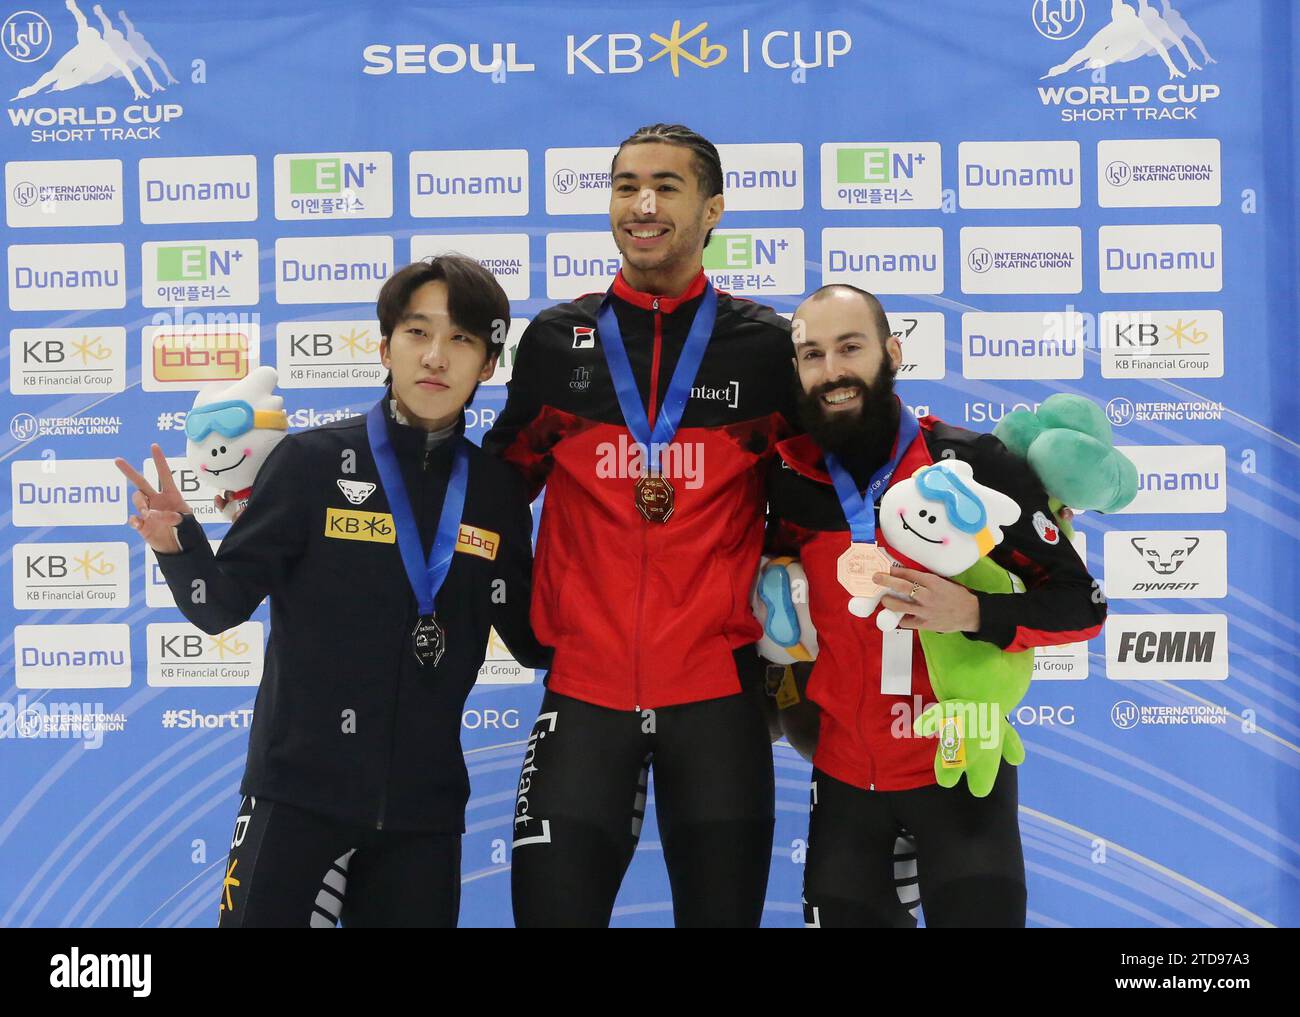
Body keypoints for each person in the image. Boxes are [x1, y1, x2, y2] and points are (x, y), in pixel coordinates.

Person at [116, 255, 549, 927]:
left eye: (462, 338)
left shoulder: (494, 493)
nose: (436, 356)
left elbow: (532, 638)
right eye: (417, 332)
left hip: (423, 813)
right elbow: (220, 604)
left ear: (489, 364)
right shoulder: (312, 463)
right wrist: (180, 546)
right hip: (295, 798)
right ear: (384, 347)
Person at [483, 123, 798, 927]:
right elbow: (491, 489)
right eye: (626, 186)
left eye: (666, 186)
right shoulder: (557, 342)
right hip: (583, 692)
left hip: (717, 697)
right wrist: (521, 619)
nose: (643, 204)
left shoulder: (765, 347)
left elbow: (820, 495)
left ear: (713, 208)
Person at [767, 284, 1107, 928]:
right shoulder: (788, 477)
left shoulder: (972, 464)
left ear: (892, 352)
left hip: (960, 774)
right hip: (845, 784)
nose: (833, 370)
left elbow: (1081, 604)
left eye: (850, 347)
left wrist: (976, 612)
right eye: (812, 354)